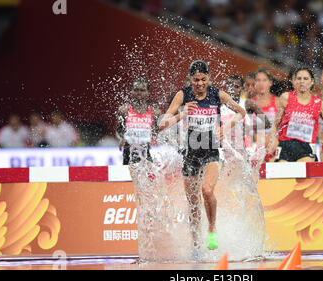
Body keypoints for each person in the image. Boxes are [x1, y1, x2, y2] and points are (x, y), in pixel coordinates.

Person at [158, 60, 246, 252]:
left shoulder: (217, 94)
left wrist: (226, 127)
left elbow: (242, 112)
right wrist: (182, 114)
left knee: (207, 190)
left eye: (203, 79)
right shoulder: (183, 95)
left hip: (212, 151)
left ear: (209, 78)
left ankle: (212, 230)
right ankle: (196, 243)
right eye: (196, 80)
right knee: (194, 203)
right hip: (191, 154)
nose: (199, 84)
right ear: (190, 79)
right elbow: (162, 124)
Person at [268, 67, 323, 162]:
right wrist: (274, 139)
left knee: (303, 170)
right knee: (284, 175)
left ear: (312, 81)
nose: (302, 81)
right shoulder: (286, 98)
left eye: (305, 79)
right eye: (299, 78)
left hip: (306, 147)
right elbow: (275, 124)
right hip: (285, 145)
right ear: (294, 81)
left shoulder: (319, 103)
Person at [116, 78, 162, 165]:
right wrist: (121, 138)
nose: (139, 93)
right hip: (128, 151)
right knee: (128, 178)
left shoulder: (155, 112)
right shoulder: (124, 110)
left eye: (142, 90)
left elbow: (160, 132)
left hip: (146, 151)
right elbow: (118, 130)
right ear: (131, 92)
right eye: (136, 90)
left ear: (148, 93)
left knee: (146, 177)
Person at [252, 69, 279, 151]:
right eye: (258, 80)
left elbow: (282, 126)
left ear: (270, 83)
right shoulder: (250, 103)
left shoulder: (278, 101)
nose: (261, 84)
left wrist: (275, 140)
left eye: (264, 80)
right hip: (257, 147)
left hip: (274, 146)